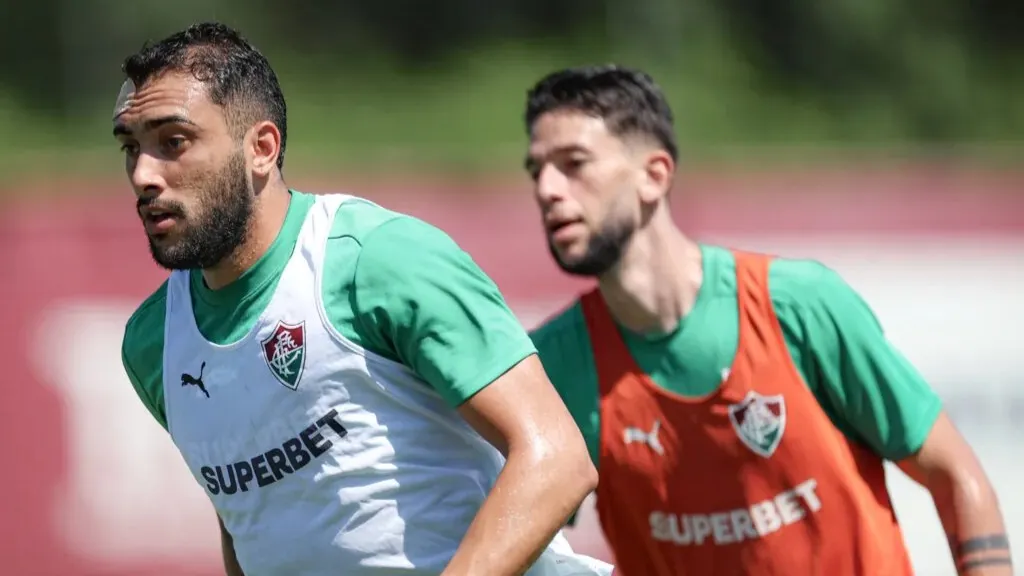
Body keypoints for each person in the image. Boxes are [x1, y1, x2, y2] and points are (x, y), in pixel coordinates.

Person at [115, 22, 613, 576]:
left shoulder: (378, 258)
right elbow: (248, 523)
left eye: (173, 143)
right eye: (131, 148)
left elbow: (559, 462)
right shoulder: (152, 342)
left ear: (262, 148)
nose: (143, 174)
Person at [521, 65, 1012, 576]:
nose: (548, 190)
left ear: (655, 175)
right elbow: (515, 538)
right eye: (537, 171)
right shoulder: (552, 367)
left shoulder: (797, 306)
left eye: (573, 163)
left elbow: (956, 475)